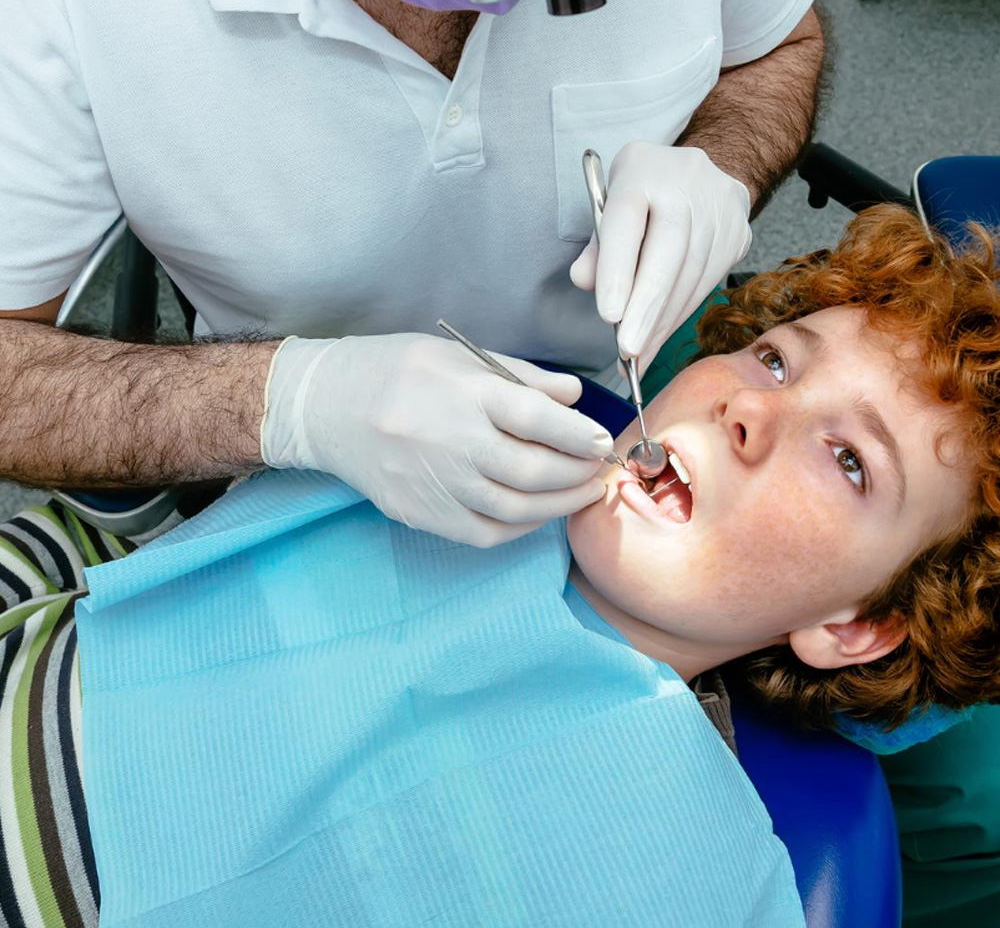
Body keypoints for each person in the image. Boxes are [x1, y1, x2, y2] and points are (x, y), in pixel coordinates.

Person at [2, 204, 999, 927]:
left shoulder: (713, 882)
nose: (751, 406)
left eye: (850, 458)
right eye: (777, 358)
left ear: (854, 625)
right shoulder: (411, 445)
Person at [0, 0, 827, 544]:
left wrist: (719, 163)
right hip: (293, 472)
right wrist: (291, 403)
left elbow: (781, 45)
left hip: (603, 386)